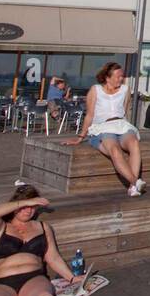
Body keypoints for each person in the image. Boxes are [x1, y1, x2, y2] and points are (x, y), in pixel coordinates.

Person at [62, 62, 145, 196]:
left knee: (134, 143)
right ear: (107, 78)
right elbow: (90, 115)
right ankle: (135, 182)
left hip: (121, 124)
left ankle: (133, 187)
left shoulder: (125, 90)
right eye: (118, 76)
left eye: (122, 76)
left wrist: (127, 126)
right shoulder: (96, 90)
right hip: (102, 127)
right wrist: (80, 137)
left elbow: (124, 110)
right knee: (114, 149)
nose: (121, 79)